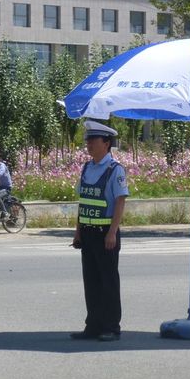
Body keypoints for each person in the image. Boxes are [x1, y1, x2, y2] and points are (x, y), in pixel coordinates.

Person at [70, 120, 129, 342]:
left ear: (106, 143)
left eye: (93, 140)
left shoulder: (115, 170)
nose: (89, 144)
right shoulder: (87, 167)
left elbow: (120, 201)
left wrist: (112, 232)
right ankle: (93, 326)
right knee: (91, 281)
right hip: (87, 232)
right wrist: (78, 231)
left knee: (108, 282)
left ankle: (111, 327)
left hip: (106, 234)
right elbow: (83, 201)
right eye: (88, 140)